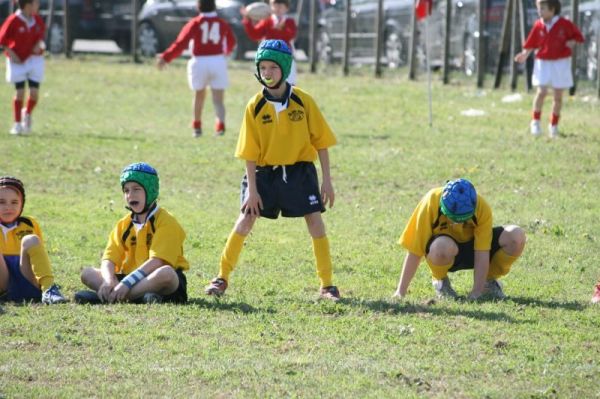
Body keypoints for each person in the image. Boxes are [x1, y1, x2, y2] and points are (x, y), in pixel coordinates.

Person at [204, 39, 340, 301]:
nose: (267, 73)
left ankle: (327, 285)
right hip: (264, 174)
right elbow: (249, 153)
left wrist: (327, 181)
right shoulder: (254, 106)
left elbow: (321, 143)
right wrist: (252, 191)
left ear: (285, 68)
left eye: (273, 68)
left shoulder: (304, 100)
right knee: (245, 219)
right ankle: (221, 278)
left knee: (315, 221)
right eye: (262, 67)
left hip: (299, 172)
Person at [392, 179, 526, 300]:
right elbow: (415, 251)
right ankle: (441, 282)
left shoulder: (481, 206)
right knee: (441, 246)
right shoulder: (431, 202)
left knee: (516, 236)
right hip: (445, 250)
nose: (457, 224)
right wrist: (400, 291)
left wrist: (477, 291)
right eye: (453, 218)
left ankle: (487, 284)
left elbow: (482, 251)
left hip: (472, 250)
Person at [74, 163, 189, 304]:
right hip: (130, 280)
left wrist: (127, 283)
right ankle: (134, 296)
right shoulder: (124, 224)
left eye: (136, 189)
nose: (130, 195)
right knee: (88, 273)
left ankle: (111, 298)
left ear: (151, 190)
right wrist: (109, 280)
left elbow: (157, 262)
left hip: (158, 281)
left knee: (167, 273)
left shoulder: (166, 222)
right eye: (126, 190)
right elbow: (108, 259)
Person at [157, 0, 237, 138]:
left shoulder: (195, 23)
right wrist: (225, 52)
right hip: (217, 61)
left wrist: (166, 57)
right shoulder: (222, 23)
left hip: (199, 61)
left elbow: (181, 43)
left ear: (198, 6)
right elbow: (231, 42)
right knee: (218, 99)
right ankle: (220, 125)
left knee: (199, 96)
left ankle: (197, 126)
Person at [514, 0, 584, 139]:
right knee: (542, 92)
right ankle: (535, 122)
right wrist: (524, 54)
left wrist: (572, 42)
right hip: (543, 62)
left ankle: (553, 126)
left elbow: (578, 37)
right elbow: (531, 43)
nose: (540, 12)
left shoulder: (564, 24)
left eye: (543, 9)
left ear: (552, 10)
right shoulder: (538, 25)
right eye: (539, 9)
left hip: (560, 62)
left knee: (558, 96)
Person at [0, 176, 67, 304]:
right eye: (1, 202)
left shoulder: (29, 224)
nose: (8, 207)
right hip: (3, 283)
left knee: (31, 239)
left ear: (22, 204)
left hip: (27, 277)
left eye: (14, 202)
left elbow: (39, 256)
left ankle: (48, 289)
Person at [0, 0, 46, 135]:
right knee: (20, 93)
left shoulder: (36, 19)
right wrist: (12, 54)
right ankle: (17, 124)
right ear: (28, 5)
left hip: (33, 59)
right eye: (36, 3)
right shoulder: (13, 20)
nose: (38, 6)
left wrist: (39, 44)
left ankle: (27, 113)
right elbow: (3, 40)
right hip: (17, 61)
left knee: (34, 94)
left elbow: (41, 35)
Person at [241, 0, 298, 84]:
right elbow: (255, 34)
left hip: (285, 57)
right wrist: (247, 19)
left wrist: (280, 29)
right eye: (275, 5)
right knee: (269, 84)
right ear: (270, 7)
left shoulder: (289, 21)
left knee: (289, 84)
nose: (277, 8)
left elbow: (291, 35)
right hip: (269, 57)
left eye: (281, 6)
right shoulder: (267, 21)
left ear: (286, 8)